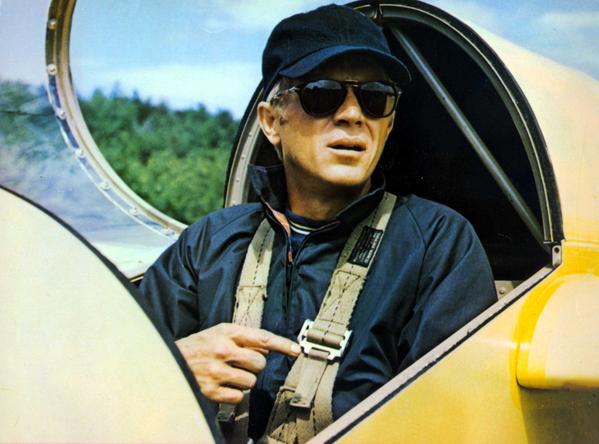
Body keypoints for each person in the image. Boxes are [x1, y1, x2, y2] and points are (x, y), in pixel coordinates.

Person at [139, 4, 496, 443]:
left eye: (375, 97)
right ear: (272, 121)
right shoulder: (207, 244)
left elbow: (449, 420)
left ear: (388, 125)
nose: (352, 115)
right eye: (322, 94)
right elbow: (108, 383)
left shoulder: (438, 245)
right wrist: (168, 368)